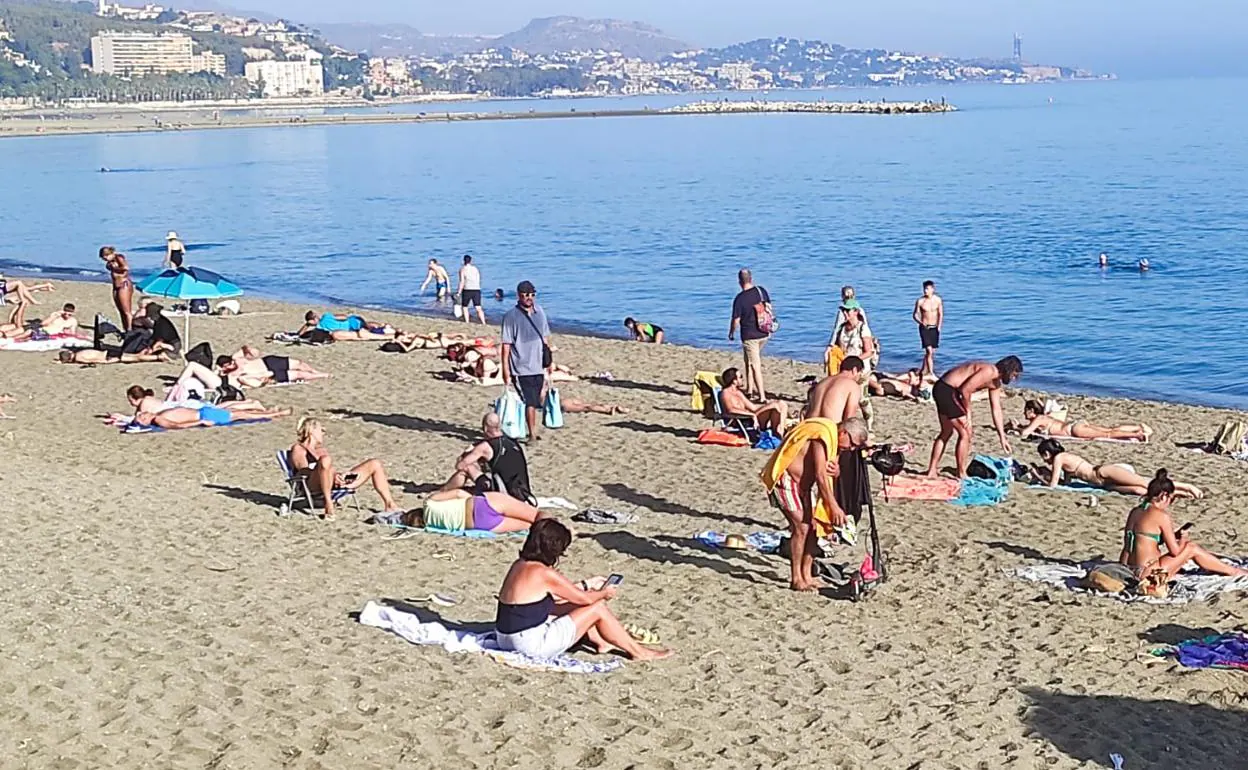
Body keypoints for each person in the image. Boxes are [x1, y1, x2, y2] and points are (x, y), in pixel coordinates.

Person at [494, 518, 672, 661]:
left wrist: (588, 585)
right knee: (597, 608)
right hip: (529, 645)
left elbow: (557, 597)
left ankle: (601, 642)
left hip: (505, 638)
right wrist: (604, 593)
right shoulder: (543, 573)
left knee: (574, 607)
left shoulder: (520, 565)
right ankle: (639, 652)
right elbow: (584, 600)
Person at [760, 416, 869, 591]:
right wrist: (833, 507)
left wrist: (837, 471)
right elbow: (820, 475)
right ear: (844, 432)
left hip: (803, 486)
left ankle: (807, 574)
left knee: (814, 527)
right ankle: (796, 578)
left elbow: (828, 469)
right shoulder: (822, 436)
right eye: (853, 443)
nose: (852, 448)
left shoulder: (834, 440)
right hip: (786, 479)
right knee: (801, 528)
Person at [1119, 470, 1246, 580]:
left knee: (1189, 547)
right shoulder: (1161, 515)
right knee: (1191, 548)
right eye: (1171, 499)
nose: (1169, 503)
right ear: (1164, 496)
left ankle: (1227, 569)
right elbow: (1175, 551)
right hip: (1148, 572)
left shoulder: (1135, 512)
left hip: (1128, 570)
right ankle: (1233, 571)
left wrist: (1174, 536)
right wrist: (1183, 538)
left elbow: (1137, 542)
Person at [926, 357, 1023, 479]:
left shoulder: (996, 383)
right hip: (947, 389)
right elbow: (965, 390)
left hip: (944, 389)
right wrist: (968, 414)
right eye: (1014, 375)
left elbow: (996, 409)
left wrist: (1002, 437)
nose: (1014, 379)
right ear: (1009, 369)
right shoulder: (989, 371)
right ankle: (961, 473)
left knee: (946, 432)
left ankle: (932, 471)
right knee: (966, 433)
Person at [288, 416, 401, 519]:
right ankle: (329, 503)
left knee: (374, 463)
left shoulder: (321, 450)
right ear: (311, 430)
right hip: (309, 485)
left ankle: (390, 504)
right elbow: (303, 472)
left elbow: (327, 470)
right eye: (321, 430)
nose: (324, 433)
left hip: (329, 482)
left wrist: (338, 476)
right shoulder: (298, 448)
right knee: (325, 460)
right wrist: (328, 472)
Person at [1035, 438, 1203, 498]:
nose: (1044, 459)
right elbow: (1066, 482)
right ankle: (1178, 493)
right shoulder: (1064, 459)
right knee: (1139, 491)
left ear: (1048, 452)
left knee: (1145, 483)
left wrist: (1039, 476)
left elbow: (1054, 485)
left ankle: (1186, 486)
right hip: (1103, 483)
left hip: (1103, 472)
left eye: (1044, 455)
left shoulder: (1059, 458)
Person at [501, 280, 551, 441]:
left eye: (531, 294)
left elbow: (545, 339)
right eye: (525, 294)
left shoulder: (540, 312)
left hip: (538, 365)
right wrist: (505, 369)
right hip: (520, 367)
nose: (529, 297)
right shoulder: (511, 317)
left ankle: (527, 429)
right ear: (519, 296)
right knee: (529, 401)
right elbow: (506, 345)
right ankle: (532, 434)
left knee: (535, 401)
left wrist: (549, 363)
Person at [405, 487, 545, 534]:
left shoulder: (431, 526)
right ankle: (560, 525)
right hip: (476, 505)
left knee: (531, 526)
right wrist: (473, 498)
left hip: (478, 524)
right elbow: (458, 493)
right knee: (535, 514)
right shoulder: (429, 503)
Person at [728, 269, 773, 400]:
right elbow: (769, 307)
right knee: (749, 360)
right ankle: (749, 389)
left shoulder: (740, 299)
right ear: (751, 279)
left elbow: (736, 320)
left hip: (750, 336)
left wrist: (731, 332)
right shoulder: (761, 291)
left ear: (739, 282)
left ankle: (762, 396)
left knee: (755, 365)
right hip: (764, 332)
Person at [1017, 399, 1152, 442]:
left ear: (1031, 411)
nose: (1024, 413)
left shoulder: (1039, 419)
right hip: (1075, 425)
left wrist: (1015, 428)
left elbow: (1026, 432)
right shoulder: (1044, 418)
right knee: (1109, 429)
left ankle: (1137, 435)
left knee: (1107, 435)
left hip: (1074, 430)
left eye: (1025, 411)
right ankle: (1137, 427)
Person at [719, 367, 787, 432]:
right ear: (734, 380)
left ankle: (779, 433)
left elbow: (753, 407)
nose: (742, 379)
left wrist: (767, 405)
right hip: (742, 421)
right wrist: (751, 415)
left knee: (780, 403)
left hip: (751, 417)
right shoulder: (725, 393)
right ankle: (779, 433)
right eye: (741, 377)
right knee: (775, 405)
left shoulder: (738, 392)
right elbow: (731, 410)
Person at [806, 356, 865, 423]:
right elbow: (849, 418)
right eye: (860, 373)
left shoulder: (822, 382)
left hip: (808, 426)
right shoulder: (853, 386)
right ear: (854, 370)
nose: (860, 376)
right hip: (829, 428)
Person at [912, 280, 943, 378]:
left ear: (932, 289)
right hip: (924, 328)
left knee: (931, 352)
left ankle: (923, 370)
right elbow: (915, 314)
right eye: (924, 289)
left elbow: (940, 314)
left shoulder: (938, 300)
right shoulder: (920, 301)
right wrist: (920, 322)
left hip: (934, 328)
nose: (925, 291)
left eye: (927, 289)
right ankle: (931, 372)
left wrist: (939, 327)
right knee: (929, 350)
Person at [297, 311, 397, 341]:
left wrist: (306, 325)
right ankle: (385, 327)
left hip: (349, 328)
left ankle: (385, 330)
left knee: (368, 330)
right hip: (352, 321)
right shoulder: (326, 316)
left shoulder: (320, 327)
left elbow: (300, 334)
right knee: (369, 325)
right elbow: (343, 316)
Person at [100, 247, 134, 331]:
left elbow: (125, 268)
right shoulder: (110, 263)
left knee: (126, 310)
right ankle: (125, 328)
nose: (105, 259)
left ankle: (130, 329)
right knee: (121, 310)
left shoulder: (118, 258)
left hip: (124, 284)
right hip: (116, 286)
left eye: (106, 256)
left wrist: (115, 269)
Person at [457, 255, 485, 325]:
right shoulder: (475, 269)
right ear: (471, 261)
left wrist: (459, 292)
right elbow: (478, 279)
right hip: (476, 289)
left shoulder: (462, 269)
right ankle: (483, 322)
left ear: (464, 261)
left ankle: (467, 322)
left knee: (465, 307)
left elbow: (462, 281)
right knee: (478, 307)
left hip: (467, 289)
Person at [59, 348, 169, 365]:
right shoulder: (80, 352)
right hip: (108, 351)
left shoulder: (78, 358)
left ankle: (158, 357)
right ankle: (154, 353)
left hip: (108, 356)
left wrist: (108, 361)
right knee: (135, 356)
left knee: (136, 358)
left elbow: (94, 360)